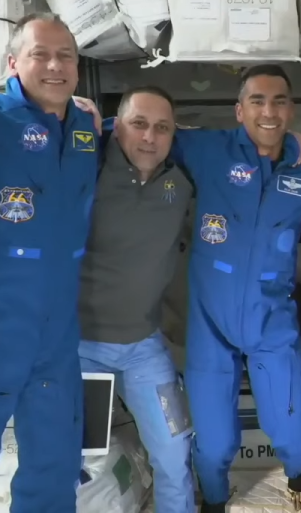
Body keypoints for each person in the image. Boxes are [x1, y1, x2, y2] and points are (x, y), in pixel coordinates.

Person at [0, 13, 100, 512]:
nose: (55, 65)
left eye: (65, 56)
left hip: (58, 327)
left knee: (54, 456)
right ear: (13, 62)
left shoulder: (85, 129)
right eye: (40, 54)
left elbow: (140, 137)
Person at [176, 65, 301, 512]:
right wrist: (90, 118)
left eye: (279, 101)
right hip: (212, 319)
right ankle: (215, 503)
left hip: (271, 316)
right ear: (239, 110)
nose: (269, 111)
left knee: (294, 424)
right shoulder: (209, 150)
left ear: (291, 109)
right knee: (214, 438)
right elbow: (143, 130)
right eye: (258, 101)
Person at [77, 85, 195, 513]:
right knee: (75, 462)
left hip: (143, 349)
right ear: (116, 127)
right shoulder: (85, 165)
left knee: (174, 452)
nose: (149, 137)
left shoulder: (180, 179)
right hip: (80, 349)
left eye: (162, 128)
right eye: (138, 124)